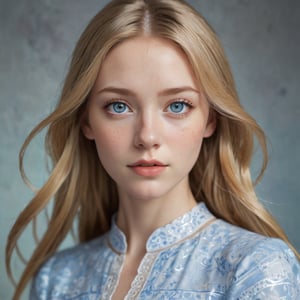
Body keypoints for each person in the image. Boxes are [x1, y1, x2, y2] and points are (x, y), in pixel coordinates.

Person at [6, 0, 300, 299]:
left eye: (177, 106)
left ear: (210, 119)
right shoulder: (56, 280)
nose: (147, 137)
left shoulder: (256, 268)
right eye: (118, 106)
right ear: (86, 121)